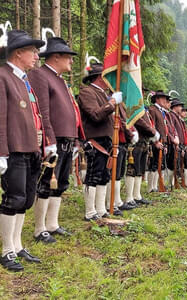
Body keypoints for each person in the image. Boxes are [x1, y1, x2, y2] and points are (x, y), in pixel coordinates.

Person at [29, 37, 85, 243]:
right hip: (53, 139)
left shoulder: (61, 80)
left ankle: (52, 224)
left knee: (60, 182)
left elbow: (72, 112)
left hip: (67, 139)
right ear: (56, 57)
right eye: (68, 57)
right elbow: (42, 111)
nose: (71, 61)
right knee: (46, 182)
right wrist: (49, 139)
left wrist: (76, 140)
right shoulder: (39, 75)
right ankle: (39, 228)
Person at [0, 30, 45, 271]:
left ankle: (17, 246)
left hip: (29, 148)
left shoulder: (22, 79)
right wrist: (1, 153)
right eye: (33, 51)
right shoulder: (2, 76)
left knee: (26, 199)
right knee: (13, 198)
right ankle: (6, 250)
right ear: (19, 53)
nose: (37, 56)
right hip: (13, 149)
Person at [77, 62, 123, 220]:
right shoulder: (87, 92)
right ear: (99, 78)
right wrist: (111, 103)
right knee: (93, 175)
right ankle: (90, 212)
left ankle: (101, 209)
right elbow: (95, 115)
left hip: (105, 139)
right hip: (94, 139)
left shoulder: (103, 94)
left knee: (104, 175)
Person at [125, 104, 158, 206]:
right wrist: (152, 132)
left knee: (139, 170)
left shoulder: (143, 109)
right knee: (132, 169)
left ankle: (137, 195)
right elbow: (139, 122)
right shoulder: (133, 105)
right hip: (136, 142)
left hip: (144, 142)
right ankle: (129, 197)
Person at [148, 91, 173, 192]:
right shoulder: (152, 109)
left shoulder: (162, 112)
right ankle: (151, 187)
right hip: (155, 141)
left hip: (162, 141)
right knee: (153, 164)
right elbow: (151, 126)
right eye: (162, 98)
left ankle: (156, 185)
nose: (165, 100)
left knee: (160, 164)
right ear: (157, 99)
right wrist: (155, 141)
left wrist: (165, 143)